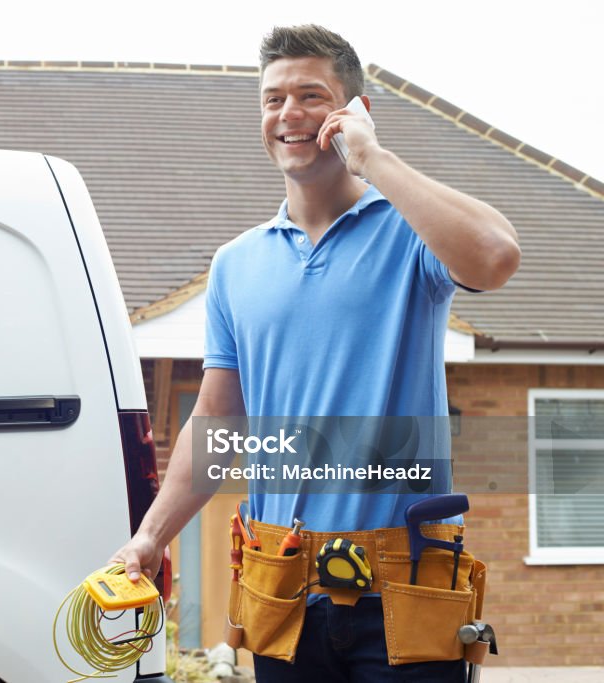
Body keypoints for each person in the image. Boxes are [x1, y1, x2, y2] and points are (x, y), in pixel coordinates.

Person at [110, 24, 520, 682]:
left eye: (310, 95)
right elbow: (216, 424)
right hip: (284, 592)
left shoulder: (409, 235)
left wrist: (374, 159)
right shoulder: (236, 266)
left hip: (403, 594)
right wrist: (151, 534)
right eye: (273, 99)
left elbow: (497, 255)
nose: (288, 114)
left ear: (355, 111)